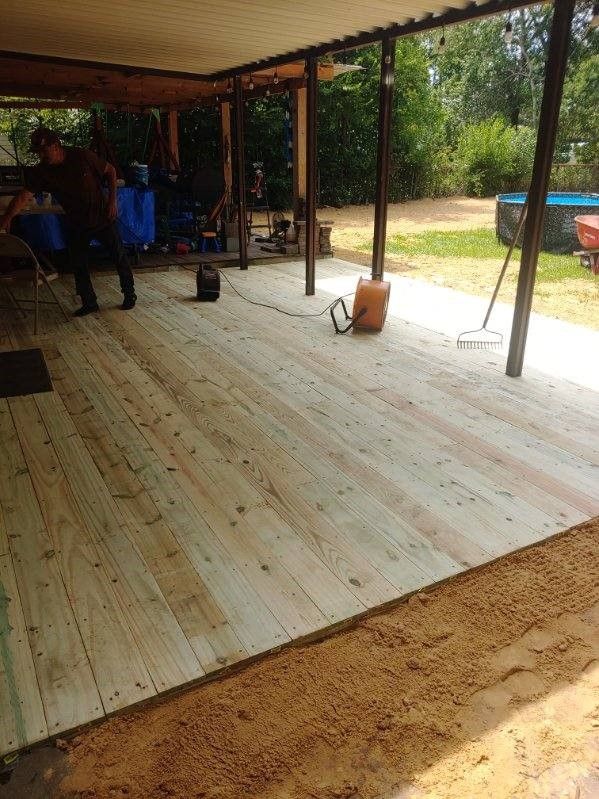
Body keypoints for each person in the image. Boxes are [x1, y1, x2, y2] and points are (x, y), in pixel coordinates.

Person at [0, 127, 136, 315]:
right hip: (76, 221)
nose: (41, 155)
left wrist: (112, 201)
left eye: (43, 150)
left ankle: (129, 294)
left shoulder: (81, 157)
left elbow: (111, 171)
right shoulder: (42, 171)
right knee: (79, 263)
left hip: (101, 217)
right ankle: (89, 303)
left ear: (56, 146)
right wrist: (6, 219)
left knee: (118, 256)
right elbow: (23, 197)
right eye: (38, 152)